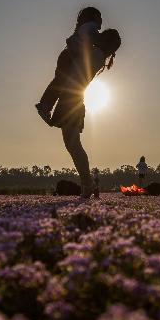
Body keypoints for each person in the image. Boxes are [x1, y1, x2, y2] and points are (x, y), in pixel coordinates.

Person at [49, 28, 121, 198]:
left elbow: (76, 58)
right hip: (73, 98)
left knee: (73, 145)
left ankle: (88, 185)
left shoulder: (96, 54)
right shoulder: (98, 55)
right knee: (73, 145)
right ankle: (88, 184)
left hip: (71, 100)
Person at [35, 7, 102, 125]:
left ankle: (49, 108)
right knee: (61, 83)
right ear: (93, 17)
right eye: (99, 16)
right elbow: (91, 37)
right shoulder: (90, 26)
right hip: (70, 56)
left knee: (61, 83)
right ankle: (45, 106)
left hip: (67, 56)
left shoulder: (85, 27)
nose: (101, 20)